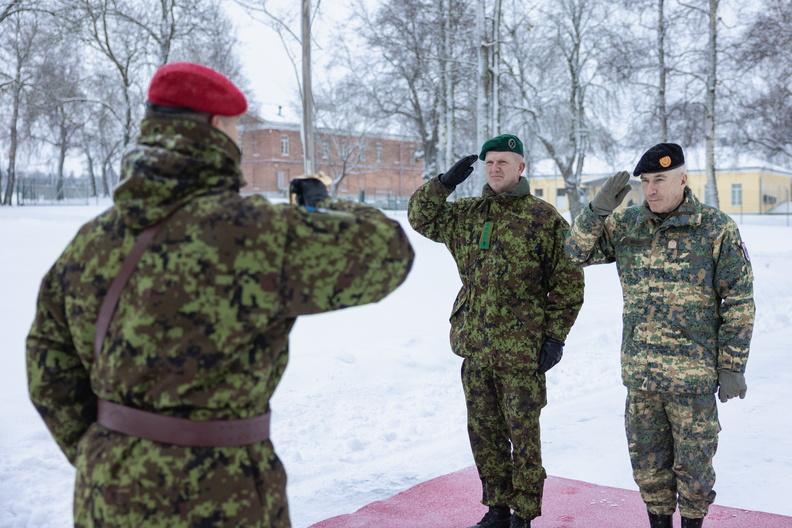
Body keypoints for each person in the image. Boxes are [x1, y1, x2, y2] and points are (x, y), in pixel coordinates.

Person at [26, 62, 414, 527]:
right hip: (218, 493)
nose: (238, 139)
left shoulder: (93, 240)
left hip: (106, 492)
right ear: (214, 127)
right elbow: (388, 253)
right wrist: (321, 202)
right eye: (235, 128)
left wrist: (107, 451)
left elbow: (47, 362)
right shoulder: (248, 233)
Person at [564, 143, 755, 528]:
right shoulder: (628, 224)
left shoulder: (715, 229)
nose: (651, 190)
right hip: (642, 376)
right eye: (646, 181)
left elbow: (738, 300)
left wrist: (732, 365)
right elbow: (573, 253)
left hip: (692, 378)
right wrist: (597, 211)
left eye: (660, 180)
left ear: (683, 180)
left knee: (695, 471)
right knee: (649, 470)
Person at [408, 134, 584, 528]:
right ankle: (497, 508)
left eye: (504, 161)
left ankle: (524, 513)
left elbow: (569, 283)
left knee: (523, 438)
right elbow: (421, 217)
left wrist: (555, 336)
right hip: (476, 347)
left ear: (521, 167)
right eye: (490, 162)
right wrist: (443, 183)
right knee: (484, 434)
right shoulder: (468, 214)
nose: (495, 168)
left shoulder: (544, 219)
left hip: (522, 351)